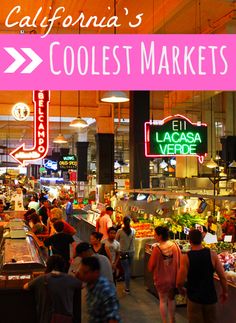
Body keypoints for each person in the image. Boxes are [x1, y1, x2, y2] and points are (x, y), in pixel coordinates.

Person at [177, 229, 228, 323]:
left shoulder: (186, 258)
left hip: (194, 299)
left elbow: (180, 281)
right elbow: (223, 276)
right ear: (202, 239)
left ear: (189, 240)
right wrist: (225, 292)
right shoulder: (212, 254)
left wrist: (181, 290)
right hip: (210, 298)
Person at [24, 254, 81, 323]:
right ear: (63, 266)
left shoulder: (42, 279)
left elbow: (26, 287)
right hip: (65, 318)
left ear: (48, 266)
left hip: (46, 318)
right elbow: (82, 285)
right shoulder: (69, 279)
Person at [148, 226, 181, 323]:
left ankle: (164, 321)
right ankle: (172, 320)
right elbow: (179, 262)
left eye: (155, 234)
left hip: (161, 279)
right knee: (171, 299)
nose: (154, 236)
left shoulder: (157, 249)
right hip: (173, 278)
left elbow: (150, 267)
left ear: (160, 236)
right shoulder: (175, 245)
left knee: (162, 300)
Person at [78, 256, 121, 323]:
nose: (82, 275)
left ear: (96, 272)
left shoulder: (106, 290)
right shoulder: (91, 284)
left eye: (85, 272)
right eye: (81, 271)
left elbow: (113, 319)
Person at [116, 216, 135, 294]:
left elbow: (116, 241)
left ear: (123, 222)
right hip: (131, 252)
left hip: (123, 252)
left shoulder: (120, 231)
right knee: (128, 269)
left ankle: (127, 288)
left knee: (126, 270)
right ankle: (127, 284)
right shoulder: (134, 231)